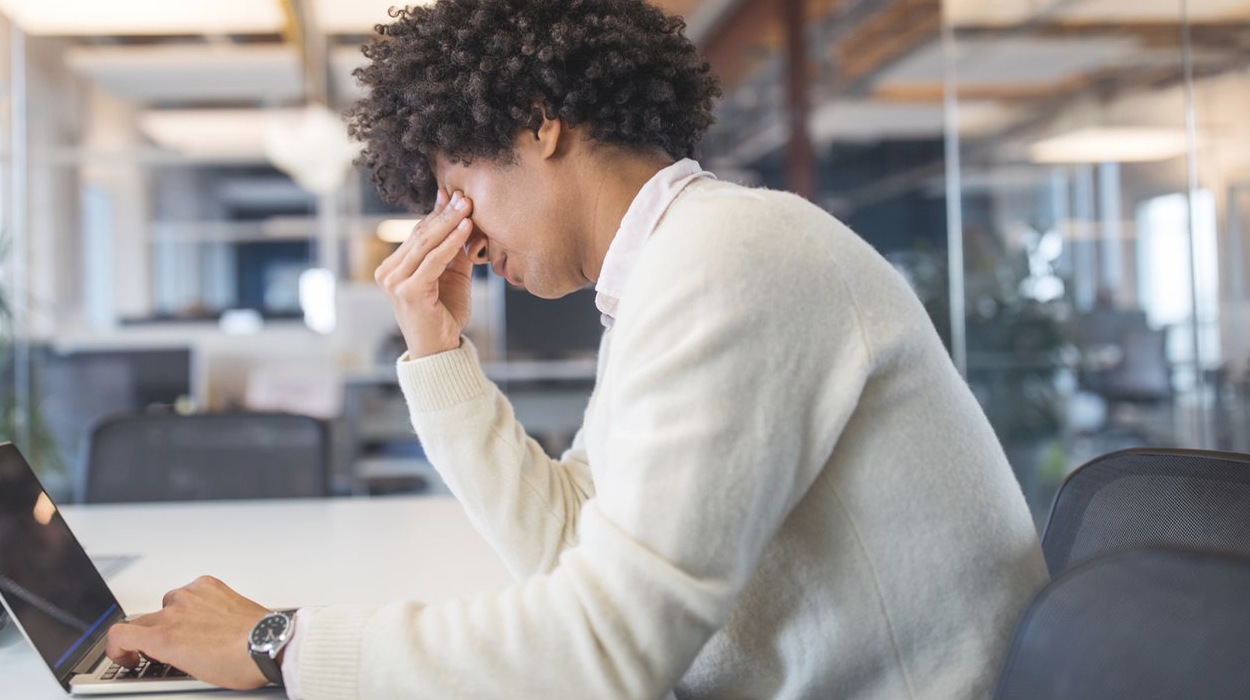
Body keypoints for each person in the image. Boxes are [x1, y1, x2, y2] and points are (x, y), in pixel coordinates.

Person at [103, 1, 1048, 698]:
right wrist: (438, 356)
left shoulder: (734, 255)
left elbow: (605, 651)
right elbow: (570, 551)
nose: (454, 230)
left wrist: (280, 643)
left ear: (539, 119)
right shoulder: (669, 271)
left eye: (452, 182)